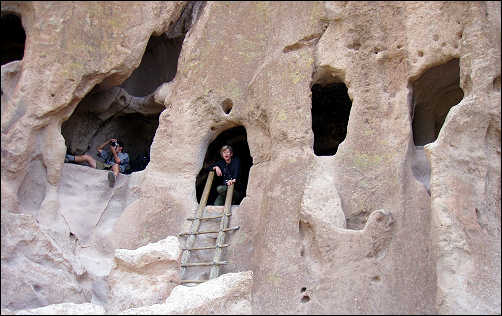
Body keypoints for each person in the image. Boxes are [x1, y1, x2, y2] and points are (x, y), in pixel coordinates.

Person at [64, 138, 130, 188]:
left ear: (121, 148)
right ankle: (67, 158)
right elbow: (98, 149)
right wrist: (108, 142)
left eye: (116, 146)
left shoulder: (124, 155)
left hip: (116, 169)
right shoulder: (110, 154)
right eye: (114, 146)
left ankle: (113, 179)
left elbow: (118, 161)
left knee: (115, 165)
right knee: (87, 157)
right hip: (105, 167)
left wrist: (113, 151)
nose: (114, 147)